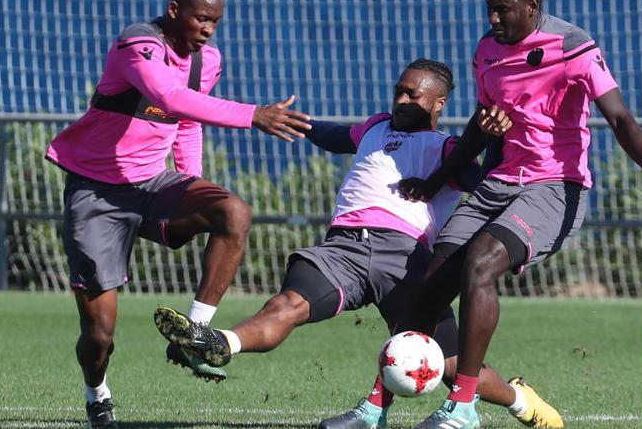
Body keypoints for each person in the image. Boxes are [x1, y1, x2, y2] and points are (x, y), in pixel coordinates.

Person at [153, 58, 564, 429]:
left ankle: (519, 399)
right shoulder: (375, 126)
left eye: (412, 95)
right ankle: (218, 342)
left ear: (438, 104)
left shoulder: (449, 151)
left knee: (452, 367)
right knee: (285, 306)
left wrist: (493, 141)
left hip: (405, 260)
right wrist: (294, 122)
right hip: (342, 250)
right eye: (398, 91)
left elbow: (488, 185)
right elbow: (332, 135)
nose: (400, 100)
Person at [396, 0, 642, 429]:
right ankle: (379, 405)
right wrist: (437, 181)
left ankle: (462, 407)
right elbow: (480, 128)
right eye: (490, 10)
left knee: (482, 262)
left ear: (533, 6)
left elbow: (620, 117)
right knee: (431, 284)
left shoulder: (573, 47)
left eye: (503, 11)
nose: (494, 20)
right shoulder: (487, 50)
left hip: (555, 187)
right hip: (500, 182)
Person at [45, 0, 311, 429]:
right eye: (200, 20)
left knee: (233, 211)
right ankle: (97, 392)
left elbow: (187, 123)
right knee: (101, 334)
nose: (207, 30)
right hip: (96, 192)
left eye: (215, 22)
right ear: (174, 11)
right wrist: (252, 115)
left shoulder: (207, 60)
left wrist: (191, 185)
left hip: (153, 185)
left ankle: (194, 333)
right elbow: (170, 98)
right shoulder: (139, 45)